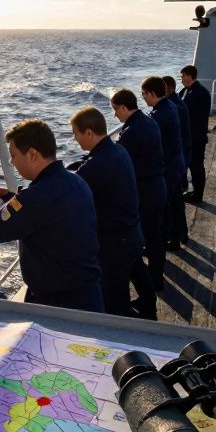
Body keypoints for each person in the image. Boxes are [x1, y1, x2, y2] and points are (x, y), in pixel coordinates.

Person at [0, 119, 104, 312]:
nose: (12, 161)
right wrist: (11, 197)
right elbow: (41, 211)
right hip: (87, 294)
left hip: (58, 305)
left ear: (32, 154)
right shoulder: (76, 180)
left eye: (14, 155)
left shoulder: (37, 197)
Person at [69, 107, 145, 318]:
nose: (75, 139)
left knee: (114, 301)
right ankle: (149, 315)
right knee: (138, 277)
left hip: (114, 245)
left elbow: (67, 189)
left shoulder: (96, 165)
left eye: (76, 133)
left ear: (89, 133)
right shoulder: (118, 150)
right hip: (131, 233)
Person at [110, 88, 162, 317]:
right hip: (155, 186)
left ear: (123, 107)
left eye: (115, 110)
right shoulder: (146, 121)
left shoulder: (132, 130)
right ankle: (152, 289)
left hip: (147, 191)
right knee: (152, 239)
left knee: (148, 240)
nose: (115, 116)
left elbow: (120, 162)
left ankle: (151, 291)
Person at [142, 76, 187, 252]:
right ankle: (176, 238)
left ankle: (159, 244)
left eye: (145, 94)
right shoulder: (170, 106)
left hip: (168, 168)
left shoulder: (159, 115)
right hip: (176, 163)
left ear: (153, 93)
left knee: (161, 208)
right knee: (175, 203)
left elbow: (151, 144)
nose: (143, 97)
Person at [179, 64, 212, 204]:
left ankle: (198, 196)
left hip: (196, 138)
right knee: (190, 165)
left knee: (196, 167)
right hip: (189, 137)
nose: (181, 79)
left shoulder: (199, 93)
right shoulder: (185, 91)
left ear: (188, 76)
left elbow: (193, 116)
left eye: (182, 76)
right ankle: (191, 191)